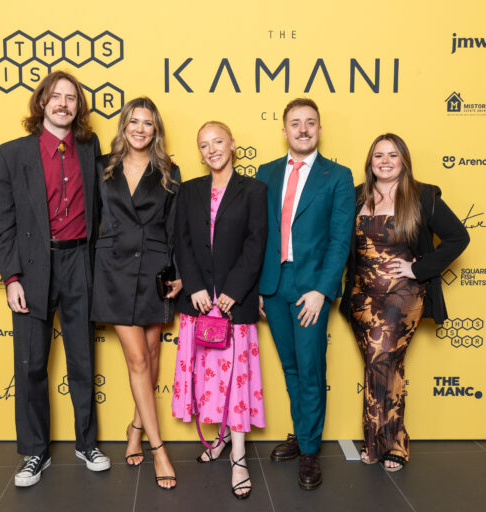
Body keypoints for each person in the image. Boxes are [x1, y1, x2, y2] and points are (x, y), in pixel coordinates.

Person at [0, 70, 109, 487]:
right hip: (32, 267)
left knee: (83, 360)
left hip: (80, 263)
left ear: (78, 107)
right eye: (56, 96)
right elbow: (3, 224)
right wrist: (12, 277)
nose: (63, 103)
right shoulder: (10, 154)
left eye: (71, 98)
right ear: (42, 102)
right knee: (31, 364)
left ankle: (86, 443)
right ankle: (34, 453)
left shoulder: (90, 147)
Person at [340, 133, 470, 472]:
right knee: (380, 366)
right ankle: (376, 442)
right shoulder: (355, 196)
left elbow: (458, 237)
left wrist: (418, 268)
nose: (385, 161)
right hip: (361, 297)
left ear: (404, 161)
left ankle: (393, 444)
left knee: (383, 358)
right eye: (378, 155)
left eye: (392, 155)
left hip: (403, 294)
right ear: (370, 162)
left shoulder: (422, 196)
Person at [256, 98, 355, 490]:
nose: (302, 129)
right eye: (295, 123)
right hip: (274, 283)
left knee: (310, 367)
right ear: (284, 130)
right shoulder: (266, 173)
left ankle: (310, 450)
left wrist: (322, 291)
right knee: (291, 367)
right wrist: (258, 288)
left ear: (319, 129)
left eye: (310, 122)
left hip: (311, 285)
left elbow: (340, 240)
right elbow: (258, 235)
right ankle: (302, 433)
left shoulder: (338, 176)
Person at [171, 121, 268, 499]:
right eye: (204, 145)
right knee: (209, 379)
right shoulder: (189, 190)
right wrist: (195, 286)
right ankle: (220, 438)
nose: (211, 150)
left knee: (237, 380)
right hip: (199, 304)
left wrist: (233, 291)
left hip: (233, 304)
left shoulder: (254, 190)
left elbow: (256, 244)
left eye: (217, 142)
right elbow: (181, 241)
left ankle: (238, 457)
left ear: (232, 144)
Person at [91, 97, 181, 489]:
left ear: (155, 129)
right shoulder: (101, 167)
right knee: (139, 359)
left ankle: (135, 428)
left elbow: (175, 227)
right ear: (124, 126)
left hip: (156, 271)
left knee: (153, 353)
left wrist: (180, 275)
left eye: (147, 123)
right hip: (113, 270)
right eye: (134, 122)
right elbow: (91, 219)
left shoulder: (168, 170)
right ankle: (158, 449)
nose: (140, 129)